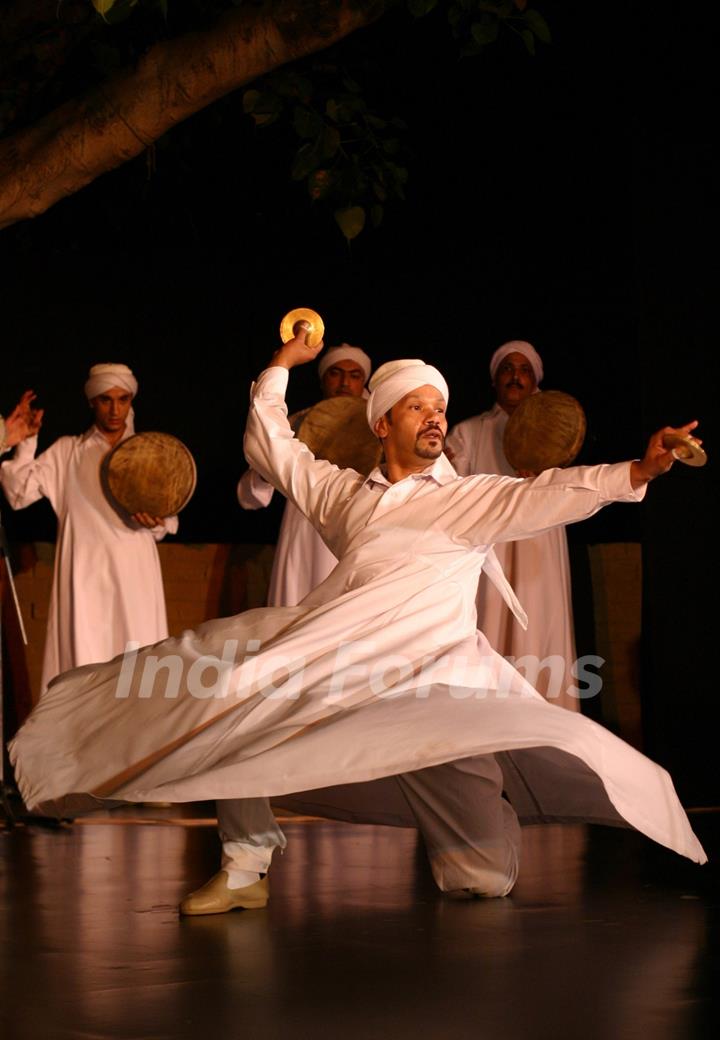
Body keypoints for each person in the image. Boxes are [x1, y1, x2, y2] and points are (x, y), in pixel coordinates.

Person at [8, 334, 706, 917]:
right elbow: (276, 447)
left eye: (441, 407)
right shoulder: (345, 497)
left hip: (436, 689)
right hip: (346, 663)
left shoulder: (469, 500)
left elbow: (552, 492)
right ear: (382, 424)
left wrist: (638, 471)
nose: (435, 417)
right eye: (418, 407)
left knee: (480, 879)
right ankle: (246, 866)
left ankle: (468, 813)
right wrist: (281, 364)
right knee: (239, 685)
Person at [0, 364, 178, 694]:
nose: (114, 410)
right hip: (84, 583)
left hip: (134, 579)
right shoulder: (68, 452)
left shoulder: (148, 453)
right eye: (105, 400)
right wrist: (26, 443)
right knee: (84, 669)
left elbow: (169, 515)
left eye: (122, 399)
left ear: (131, 400)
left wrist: (158, 521)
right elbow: (17, 493)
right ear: (92, 402)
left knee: (138, 666)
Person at [446, 341, 580, 711]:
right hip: (493, 545)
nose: (515, 376)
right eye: (507, 369)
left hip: (541, 543)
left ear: (535, 379)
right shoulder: (469, 432)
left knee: (539, 619)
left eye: (523, 370)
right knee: (491, 622)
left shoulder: (557, 429)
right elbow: (449, 487)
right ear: (495, 381)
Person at [237, 343, 372, 606]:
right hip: (304, 529)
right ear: (323, 380)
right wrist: (269, 468)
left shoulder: (381, 426)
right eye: (336, 373)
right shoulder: (296, 423)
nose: (345, 382)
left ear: (364, 381)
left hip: (359, 529)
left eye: (354, 375)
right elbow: (250, 496)